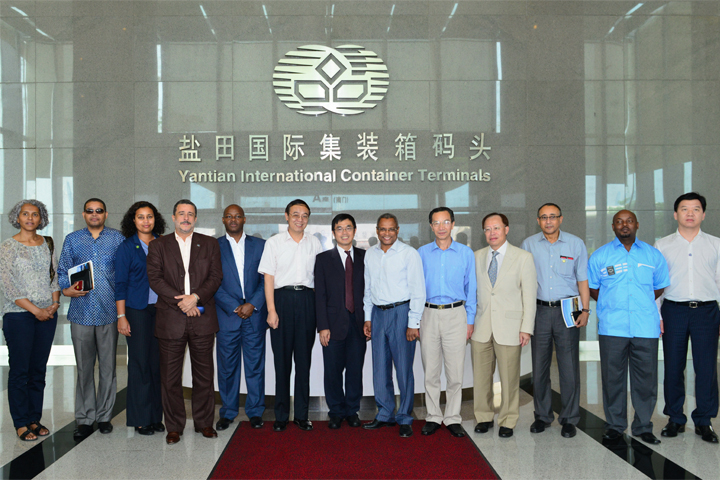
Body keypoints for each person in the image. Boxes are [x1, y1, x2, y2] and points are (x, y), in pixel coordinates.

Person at [588, 209, 670, 445]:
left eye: (629, 221)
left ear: (637, 225)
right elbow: (593, 288)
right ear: (613, 227)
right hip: (612, 327)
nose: (625, 225)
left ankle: (643, 426)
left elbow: (660, 286)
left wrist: (640, 300)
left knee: (646, 380)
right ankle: (615, 425)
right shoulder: (600, 256)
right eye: (619, 222)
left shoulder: (653, 255)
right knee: (613, 379)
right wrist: (612, 302)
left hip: (645, 326)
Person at [146, 199, 223, 445]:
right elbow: (155, 279)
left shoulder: (210, 244)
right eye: (181, 213)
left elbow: (215, 277)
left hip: (202, 316)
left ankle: (204, 423)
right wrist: (182, 302)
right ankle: (174, 426)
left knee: (204, 375)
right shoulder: (158, 245)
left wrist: (195, 298)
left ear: (196, 218)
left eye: (190, 214)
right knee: (170, 378)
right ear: (173, 216)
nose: (186, 218)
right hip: (171, 318)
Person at [655, 192, 720, 443]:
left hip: (706, 311)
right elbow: (658, 285)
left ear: (703, 214)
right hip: (674, 310)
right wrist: (658, 314)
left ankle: (704, 421)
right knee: (673, 366)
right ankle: (675, 419)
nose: (690, 213)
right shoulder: (662, 245)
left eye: (695, 209)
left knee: (706, 368)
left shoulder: (716, 244)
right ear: (675, 214)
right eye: (684, 209)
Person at [520, 203, 590, 439]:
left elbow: (582, 280)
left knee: (569, 367)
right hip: (539, 310)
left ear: (561, 219)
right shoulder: (529, 244)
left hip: (568, 309)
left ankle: (569, 418)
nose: (548, 221)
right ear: (538, 221)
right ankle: (542, 416)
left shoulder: (575, 243)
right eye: (543, 217)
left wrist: (586, 309)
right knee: (539, 367)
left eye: (553, 217)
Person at [58, 198, 125, 440]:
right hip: (81, 313)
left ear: (106, 214)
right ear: (83, 214)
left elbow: (124, 275)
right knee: (85, 369)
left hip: (109, 312)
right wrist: (67, 290)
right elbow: (62, 272)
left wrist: (122, 313)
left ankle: (104, 416)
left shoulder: (117, 239)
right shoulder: (73, 239)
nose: (94, 214)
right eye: (90, 211)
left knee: (108, 368)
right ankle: (85, 418)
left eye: (99, 211)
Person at [258, 199, 323, 432]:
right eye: (295, 214)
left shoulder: (314, 243)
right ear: (286, 216)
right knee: (282, 362)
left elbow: (320, 279)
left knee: (303, 362)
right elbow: (268, 278)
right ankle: (282, 415)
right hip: (282, 302)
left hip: (307, 301)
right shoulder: (274, 243)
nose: (300, 219)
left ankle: (302, 415)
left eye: (305, 215)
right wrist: (271, 310)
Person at [472, 213, 536, 438]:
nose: (492, 233)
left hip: (510, 327)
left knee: (509, 378)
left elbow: (529, 295)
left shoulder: (523, 257)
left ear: (506, 229)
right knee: (480, 377)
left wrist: (526, 327)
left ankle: (508, 420)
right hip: (481, 326)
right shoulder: (477, 256)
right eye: (487, 229)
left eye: (496, 228)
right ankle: (483, 417)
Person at [0, 200, 60, 441]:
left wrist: (54, 305)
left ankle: (34, 418)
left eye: (35, 214)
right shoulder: (7, 247)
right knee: (20, 371)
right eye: (25, 214)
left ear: (41, 218)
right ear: (18, 217)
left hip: (48, 314)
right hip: (19, 316)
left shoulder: (46, 243)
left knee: (38, 370)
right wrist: (36, 310)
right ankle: (21, 422)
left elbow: (53, 277)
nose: (30, 218)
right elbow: (8, 286)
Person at [362, 213, 425, 438]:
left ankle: (405, 417)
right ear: (377, 231)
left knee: (404, 370)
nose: (386, 233)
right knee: (379, 369)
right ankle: (385, 414)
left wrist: (413, 323)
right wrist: (367, 317)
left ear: (398, 231)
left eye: (391, 229)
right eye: (382, 229)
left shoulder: (409, 254)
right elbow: (367, 289)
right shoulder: (370, 254)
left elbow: (418, 290)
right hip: (378, 314)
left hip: (402, 313)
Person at [417, 207, 476, 438]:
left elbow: (472, 290)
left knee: (455, 372)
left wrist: (469, 321)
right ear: (430, 226)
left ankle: (452, 417)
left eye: (445, 222)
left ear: (453, 224)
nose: (441, 227)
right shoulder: (421, 253)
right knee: (430, 371)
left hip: (456, 314)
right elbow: (416, 288)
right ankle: (433, 416)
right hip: (428, 314)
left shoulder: (465, 253)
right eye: (436, 223)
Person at [115, 201, 167, 435]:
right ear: (133, 221)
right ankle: (140, 419)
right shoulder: (127, 247)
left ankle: (155, 416)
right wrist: (122, 316)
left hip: (163, 311)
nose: (146, 221)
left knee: (158, 366)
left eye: (150, 217)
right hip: (137, 311)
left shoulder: (164, 243)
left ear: (156, 219)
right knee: (140, 364)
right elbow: (120, 284)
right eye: (140, 217)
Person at [214, 204, 268, 431]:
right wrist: (235, 307)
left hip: (254, 316)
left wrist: (253, 304)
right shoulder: (213, 247)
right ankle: (228, 411)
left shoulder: (261, 245)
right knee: (227, 367)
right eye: (229, 216)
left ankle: (255, 412)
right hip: (227, 316)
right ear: (223, 220)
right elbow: (211, 281)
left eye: (238, 216)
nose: (233, 220)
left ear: (245, 220)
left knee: (255, 366)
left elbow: (267, 278)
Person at [314, 213, 367, 429]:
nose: (344, 232)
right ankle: (335, 411)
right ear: (333, 233)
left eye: (348, 228)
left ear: (354, 231)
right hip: (333, 325)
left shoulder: (366, 257)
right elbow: (320, 296)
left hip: (359, 324)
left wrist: (369, 320)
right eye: (339, 228)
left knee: (355, 370)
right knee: (332, 371)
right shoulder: (323, 259)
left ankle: (352, 410)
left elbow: (371, 291)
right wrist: (322, 326)